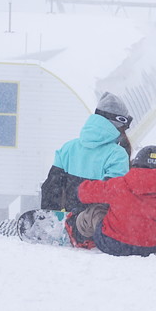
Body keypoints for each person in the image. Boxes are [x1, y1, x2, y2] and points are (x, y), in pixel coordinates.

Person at [40, 92, 132, 247]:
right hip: (96, 228)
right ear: (119, 123)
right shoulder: (117, 154)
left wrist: (53, 219)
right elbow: (114, 196)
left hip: (68, 222)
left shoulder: (68, 148)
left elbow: (51, 188)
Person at [76, 146, 156, 257]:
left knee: (96, 210)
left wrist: (80, 188)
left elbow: (86, 193)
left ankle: (77, 231)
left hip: (111, 243)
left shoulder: (119, 185)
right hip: (147, 249)